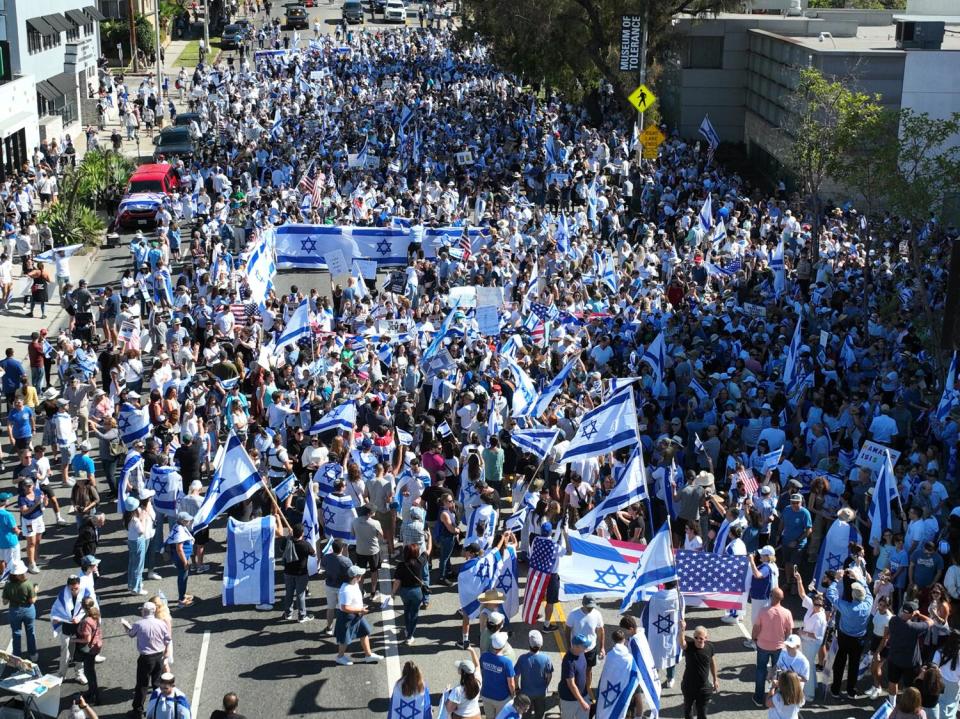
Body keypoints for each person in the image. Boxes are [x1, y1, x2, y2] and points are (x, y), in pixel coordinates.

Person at [122, 600, 172, 719]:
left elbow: (131, 634)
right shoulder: (161, 623)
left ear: (144, 611)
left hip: (146, 659)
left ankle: (137, 711)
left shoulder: (139, 624)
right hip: (158, 657)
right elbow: (167, 639)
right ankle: (157, 709)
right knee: (156, 684)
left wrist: (126, 627)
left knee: (142, 685)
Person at [830, 576, 874, 699]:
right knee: (854, 665)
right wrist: (859, 579)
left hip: (844, 638)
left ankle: (835, 689)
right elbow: (869, 591)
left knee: (839, 663)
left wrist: (835, 580)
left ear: (853, 596)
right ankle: (851, 690)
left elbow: (831, 595)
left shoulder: (846, 606)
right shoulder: (868, 604)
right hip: (859, 640)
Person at [884, 599, 937, 700]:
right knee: (909, 687)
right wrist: (919, 615)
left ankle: (892, 704)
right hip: (910, 664)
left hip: (894, 659)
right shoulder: (914, 627)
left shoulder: (893, 620)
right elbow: (931, 622)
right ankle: (907, 706)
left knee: (892, 682)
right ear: (913, 613)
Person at [751, 587, 794, 706]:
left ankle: (759, 698)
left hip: (763, 646)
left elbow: (756, 628)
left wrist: (754, 638)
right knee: (779, 673)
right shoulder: (787, 613)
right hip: (779, 648)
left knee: (761, 670)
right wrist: (785, 645)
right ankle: (777, 697)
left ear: (771, 596)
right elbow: (789, 632)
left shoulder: (763, 611)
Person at [334, 565, 383, 666]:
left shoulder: (354, 583)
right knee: (345, 639)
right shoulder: (346, 590)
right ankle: (340, 657)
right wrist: (360, 609)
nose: (361, 575)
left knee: (364, 632)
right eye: (360, 574)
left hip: (357, 614)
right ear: (355, 576)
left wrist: (360, 609)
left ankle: (368, 655)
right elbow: (344, 608)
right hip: (347, 617)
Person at [564, 594, 605, 691]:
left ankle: (587, 689)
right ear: (583, 604)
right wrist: (569, 647)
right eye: (589, 606)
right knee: (575, 671)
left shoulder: (597, 614)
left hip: (590, 649)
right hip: (577, 650)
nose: (591, 609)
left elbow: (600, 630)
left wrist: (602, 647)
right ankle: (575, 689)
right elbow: (567, 630)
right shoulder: (573, 614)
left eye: (592, 606)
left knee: (589, 670)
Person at [678, 621, 718, 719]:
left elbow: (712, 663)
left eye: (701, 638)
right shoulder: (689, 646)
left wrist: (715, 679)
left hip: (704, 688)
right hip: (688, 686)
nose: (698, 640)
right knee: (688, 710)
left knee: (702, 713)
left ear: (706, 638)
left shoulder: (710, 647)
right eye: (696, 637)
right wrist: (682, 629)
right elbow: (682, 643)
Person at [391, 543, 426, 644]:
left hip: (404, 592)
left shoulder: (401, 565)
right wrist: (430, 538)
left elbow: (397, 581)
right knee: (414, 613)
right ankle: (410, 636)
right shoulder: (420, 562)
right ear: (416, 553)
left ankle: (407, 629)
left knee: (407, 610)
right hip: (417, 592)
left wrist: (393, 593)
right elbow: (427, 551)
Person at [2, 560, 37, 661]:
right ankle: (33, 654)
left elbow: (4, 602)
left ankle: (16, 657)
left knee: (16, 634)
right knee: (30, 632)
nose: (24, 574)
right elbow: (32, 601)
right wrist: (35, 591)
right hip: (28, 610)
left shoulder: (8, 585)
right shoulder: (28, 584)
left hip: (14, 611)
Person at [281, 522, 315, 623]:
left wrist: (288, 537)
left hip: (288, 572)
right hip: (301, 573)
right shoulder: (305, 545)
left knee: (289, 593)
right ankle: (302, 615)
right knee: (300, 595)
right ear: (302, 534)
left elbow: (280, 549)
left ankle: (288, 613)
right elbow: (313, 554)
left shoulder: (287, 542)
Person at [515, 630, 553, 719]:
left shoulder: (522, 658)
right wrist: (545, 685)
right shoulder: (546, 658)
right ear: (541, 645)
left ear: (529, 644)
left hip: (526, 693)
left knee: (526, 715)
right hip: (540, 692)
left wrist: (517, 689)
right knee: (539, 714)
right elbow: (549, 675)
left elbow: (516, 676)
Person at [479, 631, 516, 718]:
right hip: (502, 698)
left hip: (486, 694)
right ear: (504, 646)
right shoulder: (507, 662)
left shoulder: (484, 656)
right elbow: (511, 683)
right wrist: (513, 695)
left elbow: (481, 671)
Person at [75, 598, 103, 705]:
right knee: (91, 671)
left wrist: (74, 640)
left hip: (89, 649)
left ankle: (95, 696)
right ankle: (92, 691)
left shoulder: (87, 621)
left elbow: (86, 639)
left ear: (82, 607)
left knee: (89, 672)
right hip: (96, 645)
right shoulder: (95, 613)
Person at [322, 538, 352, 634]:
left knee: (330, 608)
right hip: (342, 588)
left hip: (329, 585)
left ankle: (329, 628)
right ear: (342, 549)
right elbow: (351, 573)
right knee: (342, 609)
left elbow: (322, 567)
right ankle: (342, 629)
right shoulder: (346, 561)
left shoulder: (326, 557)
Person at [558, 634, 591, 719]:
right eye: (584, 646)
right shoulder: (568, 662)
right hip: (569, 699)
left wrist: (587, 692)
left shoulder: (581, 653)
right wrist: (582, 702)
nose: (586, 648)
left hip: (583, 695)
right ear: (576, 646)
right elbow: (571, 684)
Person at [165, 511, 195, 607]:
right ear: (182, 521)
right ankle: (181, 600)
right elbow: (179, 549)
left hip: (179, 557)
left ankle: (182, 595)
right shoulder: (181, 531)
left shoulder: (177, 526)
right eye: (187, 520)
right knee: (183, 577)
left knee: (183, 576)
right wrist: (185, 562)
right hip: (181, 558)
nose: (189, 521)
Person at [445, 647, 483, 719]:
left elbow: (449, 709)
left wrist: (447, 693)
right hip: (476, 716)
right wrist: (472, 650)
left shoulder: (458, 690)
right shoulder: (478, 681)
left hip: (461, 716)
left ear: (462, 672)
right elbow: (477, 665)